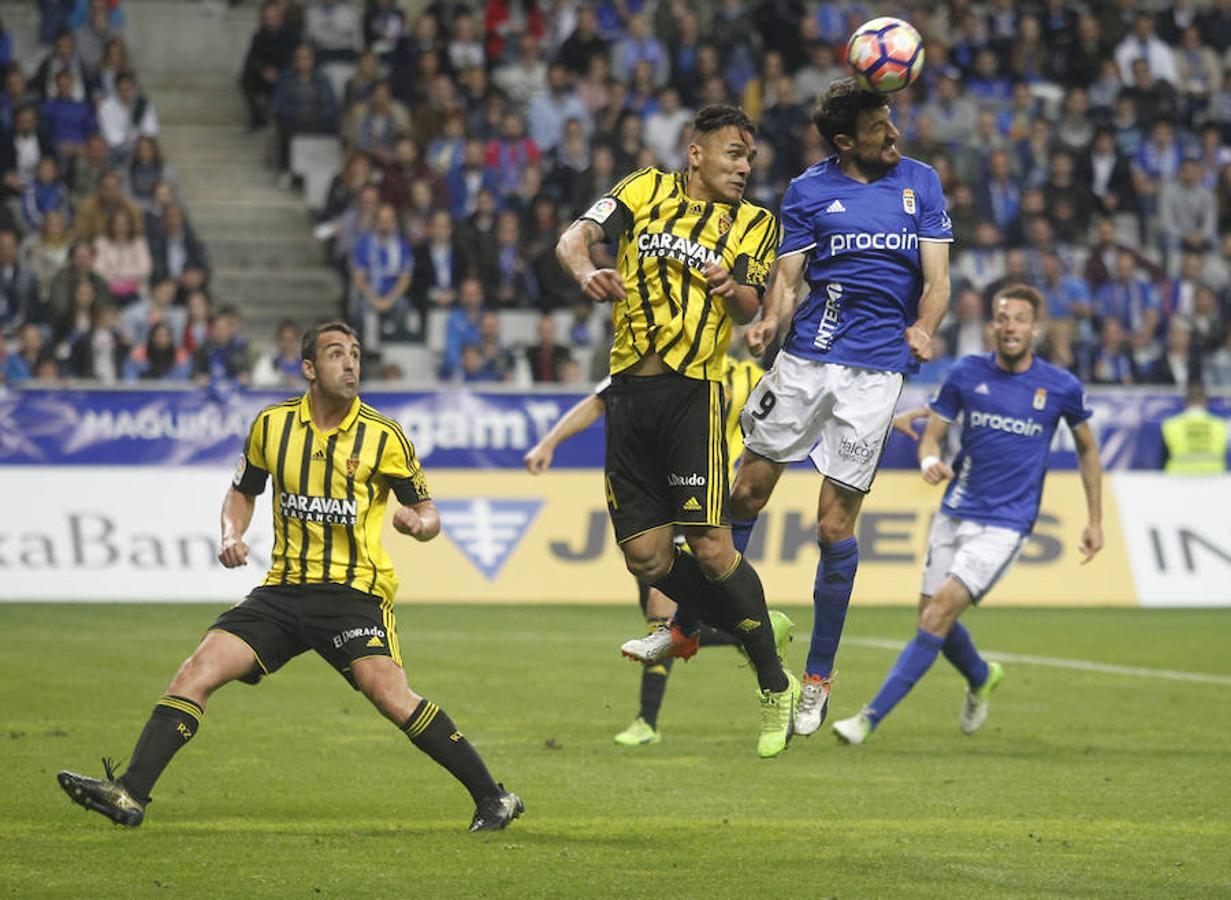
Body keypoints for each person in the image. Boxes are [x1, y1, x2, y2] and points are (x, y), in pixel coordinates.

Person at [57, 321, 523, 832]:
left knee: (390, 696)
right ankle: (130, 793)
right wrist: (231, 534)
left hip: (353, 593)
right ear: (309, 368)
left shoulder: (385, 436)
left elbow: (430, 512)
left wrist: (419, 524)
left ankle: (493, 798)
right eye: (336, 354)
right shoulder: (271, 426)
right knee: (196, 672)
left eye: (356, 355)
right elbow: (243, 489)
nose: (351, 364)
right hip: (281, 592)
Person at [554, 104, 798, 758]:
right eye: (732, 153)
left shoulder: (754, 223)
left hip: (693, 392)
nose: (744, 166)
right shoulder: (643, 189)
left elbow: (752, 301)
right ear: (696, 154)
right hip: (629, 392)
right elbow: (572, 240)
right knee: (646, 559)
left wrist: (730, 289)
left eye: (749, 157)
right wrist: (586, 274)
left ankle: (772, 681)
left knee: (711, 546)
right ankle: (738, 622)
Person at [730, 78, 953, 737]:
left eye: (891, 120)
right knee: (744, 492)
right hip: (805, 361)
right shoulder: (806, 191)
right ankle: (692, 620)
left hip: (875, 373)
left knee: (833, 528)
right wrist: (769, 322)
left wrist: (923, 327)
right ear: (843, 142)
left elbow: (937, 279)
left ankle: (818, 679)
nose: (894, 132)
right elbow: (788, 280)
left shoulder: (920, 184)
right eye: (880, 126)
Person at [830, 285, 1103, 744]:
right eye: (1002, 318)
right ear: (993, 326)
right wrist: (927, 461)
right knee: (929, 615)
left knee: (937, 615)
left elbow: (1088, 452)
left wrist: (1095, 520)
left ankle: (867, 719)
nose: (1009, 326)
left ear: (1036, 329)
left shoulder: (1061, 387)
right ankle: (980, 676)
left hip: (1006, 524)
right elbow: (932, 436)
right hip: (954, 511)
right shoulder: (965, 373)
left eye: (1019, 318)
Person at [523, 351, 794, 747]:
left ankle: (647, 720)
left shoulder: (740, 376)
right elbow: (599, 400)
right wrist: (549, 442)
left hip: (700, 487)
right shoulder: (648, 363)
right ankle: (755, 632)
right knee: (649, 573)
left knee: (658, 609)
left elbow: (783, 424)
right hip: (653, 490)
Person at [1160, 381, 1228, 474]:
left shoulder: (1170, 425)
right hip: (1214, 476)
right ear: (1206, 402)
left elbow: (1162, 458)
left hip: (1178, 477)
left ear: (1185, 402)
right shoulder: (1221, 425)